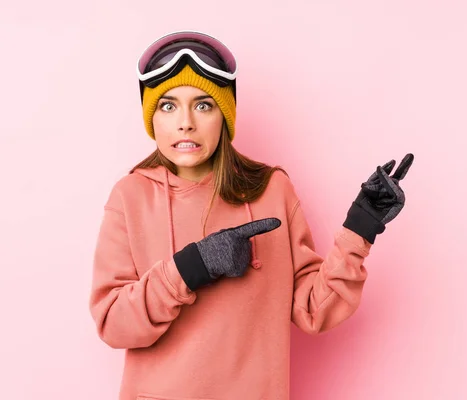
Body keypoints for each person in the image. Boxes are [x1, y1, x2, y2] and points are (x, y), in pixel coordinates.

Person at [88, 30, 414, 400]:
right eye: (168, 105)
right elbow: (113, 324)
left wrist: (361, 226)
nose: (185, 123)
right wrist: (191, 266)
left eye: (203, 104)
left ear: (224, 115)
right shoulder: (130, 197)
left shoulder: (271, 190)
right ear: (152, 118)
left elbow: (313, 309)